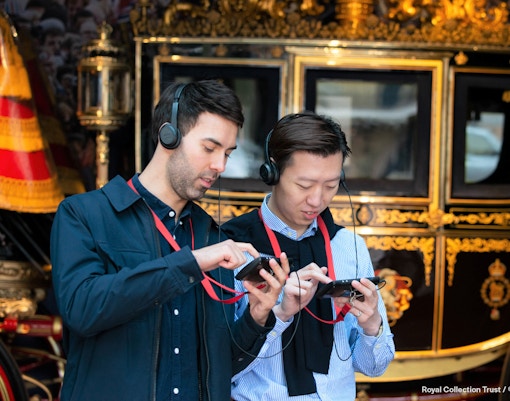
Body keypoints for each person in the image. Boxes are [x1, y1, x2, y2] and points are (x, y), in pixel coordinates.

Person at [50, 80, 288, 401]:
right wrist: (190, 263)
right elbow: (83, 310)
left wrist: (257, 315)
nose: (220, 166)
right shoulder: (84, 215)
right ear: (168, 136)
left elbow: (221, 367)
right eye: (209, 148)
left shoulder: (211, 235)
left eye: (228, 153)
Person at [222, 111, 395, 400]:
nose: (317, 200)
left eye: (330, 186)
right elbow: (221, 368)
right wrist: (279, 314)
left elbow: (374, 368)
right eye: (304, 186)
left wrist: (371, 325)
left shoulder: (349, 246)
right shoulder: (233, 247)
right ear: (272, 172)